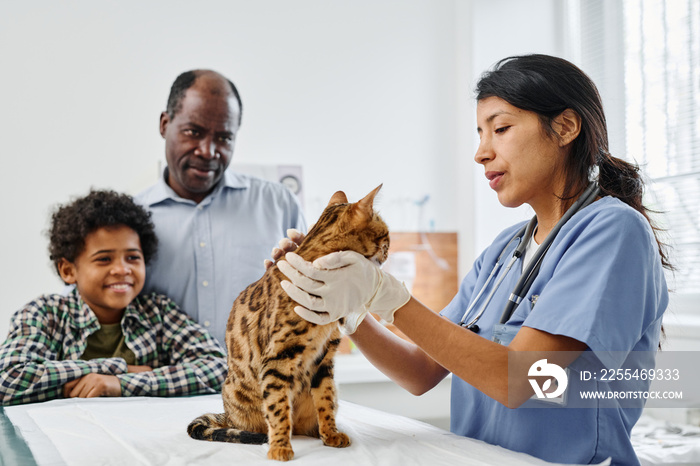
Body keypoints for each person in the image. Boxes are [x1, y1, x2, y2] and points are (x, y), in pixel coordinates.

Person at [275, 54, 669, 465]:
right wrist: (344, 305)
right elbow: (419, 372)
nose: (481, 152)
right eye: (480, 134)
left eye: (500, 128)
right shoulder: (503, 252)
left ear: (566, 127)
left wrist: (384, 294)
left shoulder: (613, 231)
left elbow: (519, 379)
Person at [0, 190, 227, 406]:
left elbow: (220, 369)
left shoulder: (159, 312)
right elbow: (8, 379)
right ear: (68, 270)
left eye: (132, 257)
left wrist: (120, 383)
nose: (122, 269)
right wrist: (122, 368)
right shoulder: (44, 313)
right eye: (104, 259)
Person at [135, 69, 306, 346]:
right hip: (163, 387)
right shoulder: (129, 221)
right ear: (165, 124)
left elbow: (314, 301)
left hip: (262, 387)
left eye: (224, 138)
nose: (208, 151)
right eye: (194, 132)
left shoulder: (278, 205)